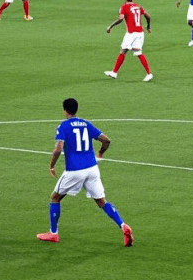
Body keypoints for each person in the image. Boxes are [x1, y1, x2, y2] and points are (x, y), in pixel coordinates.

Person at [37, 98, 133, 247]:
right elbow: (106, 140)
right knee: (102, 201)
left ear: (65, 110)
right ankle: (123, 225)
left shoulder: (63, 126)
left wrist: (51, 166)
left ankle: (53, 233)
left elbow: (58, 148)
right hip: (92, 169)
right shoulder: (86, 124)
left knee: (55, 198)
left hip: (75, 170)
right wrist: (100, 153)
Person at [105, 0, 153, 81]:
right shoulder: (138, 6)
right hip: (140, 33)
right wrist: (148, 27)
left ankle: (114, 73)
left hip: (131, 34)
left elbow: (120, 19)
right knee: (132, 52)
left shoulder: (124, 7)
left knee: (125, 51)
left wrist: (110, 26)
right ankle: (114, 73)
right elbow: (148, 16)